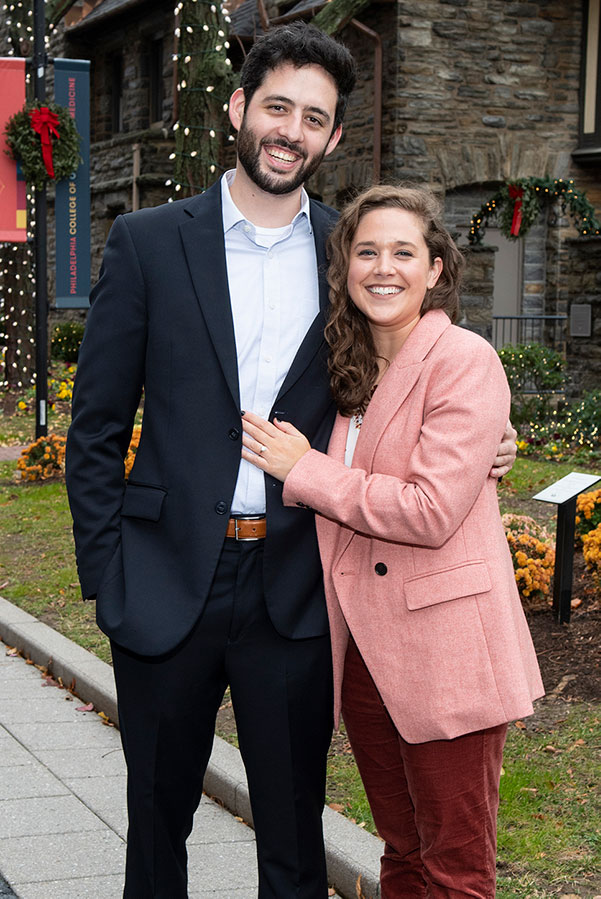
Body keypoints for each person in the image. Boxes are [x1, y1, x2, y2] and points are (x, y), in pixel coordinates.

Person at [66, 20, 516, 896]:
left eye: (314, 117)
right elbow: (95, 426)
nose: (291, 130)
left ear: (333, 136)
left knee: (292, 836)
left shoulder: (347, 255)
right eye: (277, 107)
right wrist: (106, 572)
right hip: (162, 583)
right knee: (155, 823)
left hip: (298, 586)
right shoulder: (151, 242)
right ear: (239, 108)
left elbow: (411, 380)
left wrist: (490, 443)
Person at [241, 184, 543, 898]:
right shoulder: (344, 367)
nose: (384, 267)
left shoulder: (462, 359)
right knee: (402, 852)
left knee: (453, 868)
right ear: (345, 266)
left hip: (446, 655)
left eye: (403, 252)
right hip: (369, 661)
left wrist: (304, 470)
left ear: (435, 269)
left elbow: (429, 509)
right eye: (366, 251)